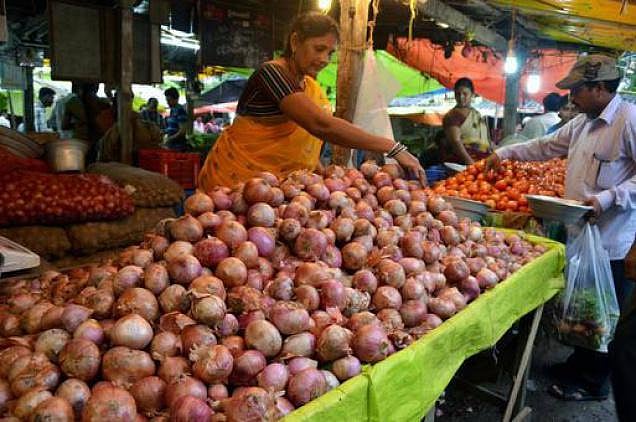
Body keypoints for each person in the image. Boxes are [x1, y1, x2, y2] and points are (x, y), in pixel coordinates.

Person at [485, 54, 636, 402]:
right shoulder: (583, 123)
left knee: (604, 314)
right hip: (582, 233)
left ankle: (594, 382)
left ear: (600, 88)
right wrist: (506, 153)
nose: (571, 97)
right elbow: (546, 146)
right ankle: (578, 364)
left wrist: (608, 198)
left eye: (578, 89)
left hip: (613, 238)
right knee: (584, 308)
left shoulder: (628, 120)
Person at [198, 12, 425, 190]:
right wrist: (392, 147)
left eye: (330, 53)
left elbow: (300, 146)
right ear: (295, 41)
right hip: (236, 186)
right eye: (319, 49)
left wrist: (322, 174)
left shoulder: (308, 86)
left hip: (277, 190)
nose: (325, 59)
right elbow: (321, 125)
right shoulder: (271, 74)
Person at [441, 78, 492, 164]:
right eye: (458, 94)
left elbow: (487, 142)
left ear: (472, 95)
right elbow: (455, 141)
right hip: (462, 163)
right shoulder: (452, 115)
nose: (461, 97)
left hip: (482, 161)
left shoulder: (478, 115)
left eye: (465, 94)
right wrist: (470, 163)